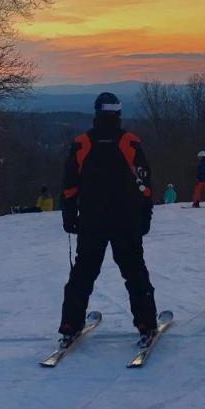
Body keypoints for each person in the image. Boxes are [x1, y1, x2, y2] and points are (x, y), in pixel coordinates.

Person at [58, 92, 159, 344]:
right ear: (118, 113)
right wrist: (145, 214)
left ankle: (70, 323)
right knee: (135, 272)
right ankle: (146, 323)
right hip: (126, 220)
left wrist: (69, 214)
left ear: (96, 113)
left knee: (82, 273)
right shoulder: (130, 142)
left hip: (92, 221)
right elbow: (144, 185)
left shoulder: (82, 143)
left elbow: (70, 184)